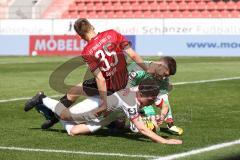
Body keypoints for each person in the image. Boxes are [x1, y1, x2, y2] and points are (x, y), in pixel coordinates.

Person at [25, 18, 150, 128]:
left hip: (109, 86)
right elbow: (133, 54)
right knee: (78, 91)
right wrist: (148, 70)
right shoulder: (113, 33)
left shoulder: (87, 51)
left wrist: (105, 104)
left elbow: (100, 78)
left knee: (75, 91)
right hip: (123, 82)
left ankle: (48, 108)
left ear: (80, 36)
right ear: (92, 27)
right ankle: (52, 116)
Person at [25, 78, 182, 144]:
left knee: (72, 131)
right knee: (66, 114)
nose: (152, 101)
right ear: (140, 94)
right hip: (97, 107)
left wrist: (161, 115)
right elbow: (142, 129)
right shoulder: (130, 101)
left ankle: (48, 110)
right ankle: (42, 99)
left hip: (104, 118)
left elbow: (163, 104)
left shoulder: (148, 93)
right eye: (149, 100)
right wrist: (164, 140)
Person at [127, 56, 183, 135]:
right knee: (118, 123)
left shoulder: (163, 79)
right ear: (160, 66)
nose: (164, 78)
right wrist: (148, 112)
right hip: (120, 95)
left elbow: (163, 98)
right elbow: (124, 91)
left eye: (167, 76)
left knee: (153, 125)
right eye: (164, 74)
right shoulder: (137, 67)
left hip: (138, 99)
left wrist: (167, 119)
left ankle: (138, 120)